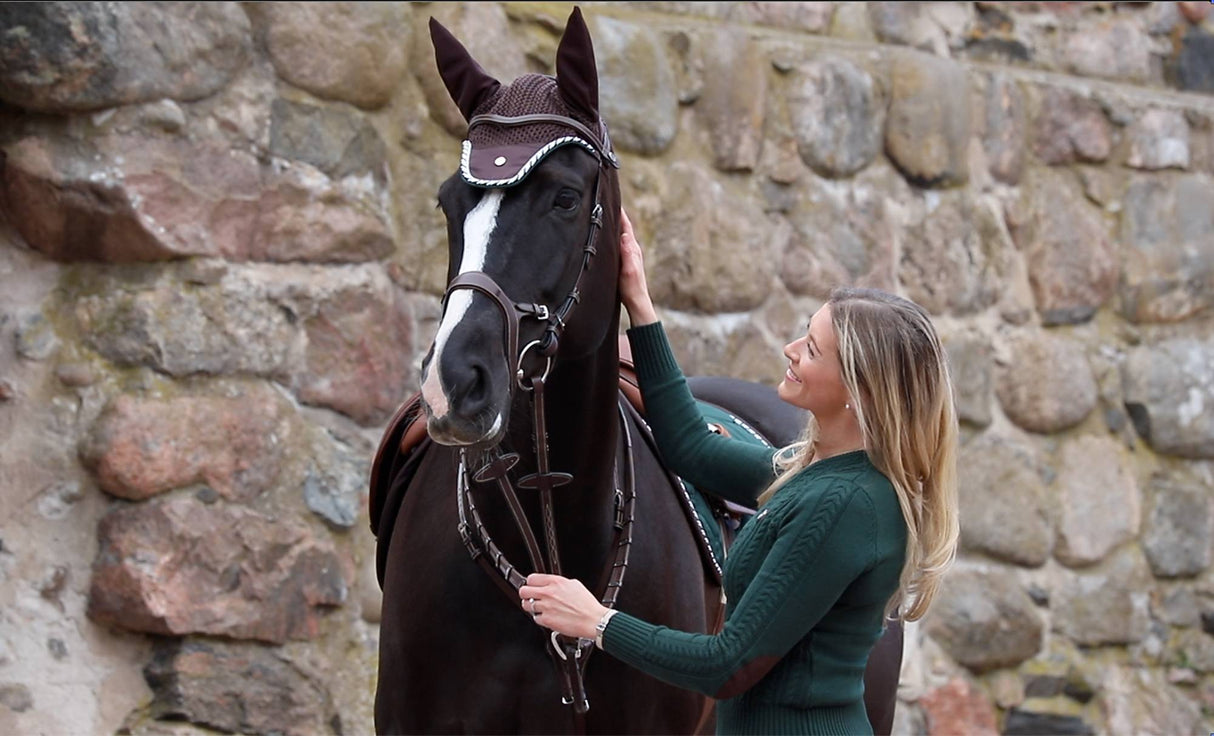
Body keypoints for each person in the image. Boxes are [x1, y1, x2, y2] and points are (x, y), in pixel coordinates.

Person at [519, 208, 960, 735]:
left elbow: (727, 665)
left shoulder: (844, 503)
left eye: (812, 350)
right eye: (804, 335)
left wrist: (596, 621)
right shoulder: (818, 474)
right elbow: (691, 449)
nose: (790, 351)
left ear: (859, 394)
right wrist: (638, 298)